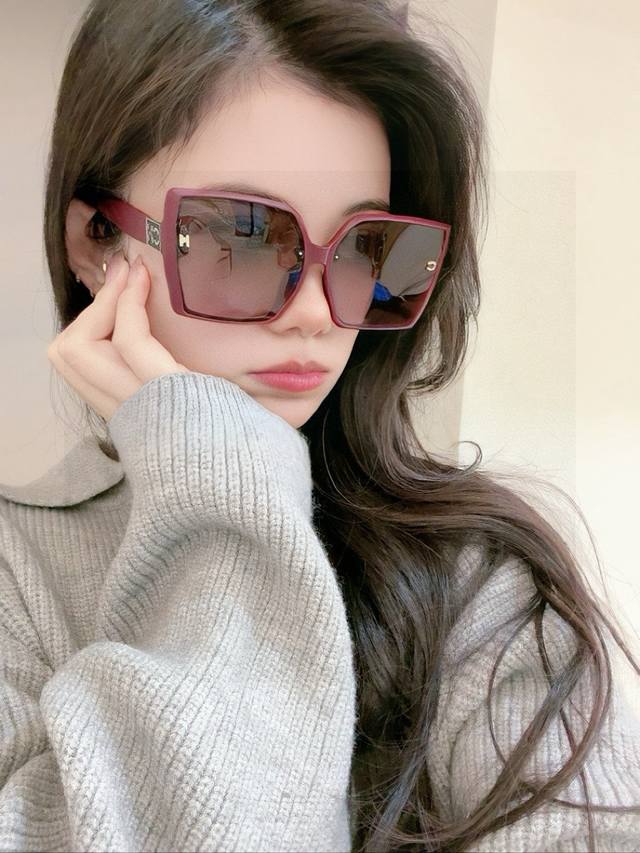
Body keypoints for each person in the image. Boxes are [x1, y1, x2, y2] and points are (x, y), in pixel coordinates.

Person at [1, 0, 639, 851]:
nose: (314, 312)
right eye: (240, 239)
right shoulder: (17, 573)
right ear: (95, 243)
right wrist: (219, 477)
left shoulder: (480, 577)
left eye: (369, 249)